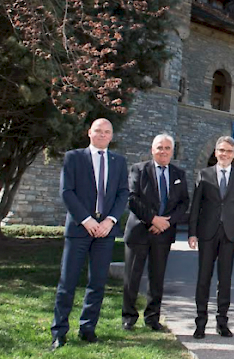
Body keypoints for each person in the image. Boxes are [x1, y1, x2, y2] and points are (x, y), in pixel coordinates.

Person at [51, 118, 129, 350]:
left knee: (97, 283)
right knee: (68, 282)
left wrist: (110, 220)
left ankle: (87, 328)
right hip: (78, 229)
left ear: (111, 136)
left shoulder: (119, 161)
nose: (102, 135)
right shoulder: (74, 158)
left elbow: (123, 193)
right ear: (89, 133)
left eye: (107, 132)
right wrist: (86, 220)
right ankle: (59, 332)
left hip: (105, 232)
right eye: (98, 131)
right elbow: (67, 192)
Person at [122, 134, 190, 331]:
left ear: (172, 151)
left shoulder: (179, 174)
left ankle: (152, 318)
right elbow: (132, 198)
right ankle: (129, 317)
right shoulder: (139, 169)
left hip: (163, 234)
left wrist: (166, 222)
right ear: (152, 150)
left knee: (157, 278)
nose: (163, 151)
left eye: (168, 148)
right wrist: (153, 219)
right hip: (139, 232)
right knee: (132, 277)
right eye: (160, 147)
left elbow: (184, 202)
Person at [188, 136, 234, 339]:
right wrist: (192, 232)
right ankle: (200, 323)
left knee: (225, 279)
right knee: (203, 278)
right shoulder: (204, 174)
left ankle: (222, 322)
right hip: (207, 233)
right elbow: (196, 206)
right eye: (222, 150)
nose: (225, 154)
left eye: (229, 151)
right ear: (216, 152)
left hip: (230, 234)